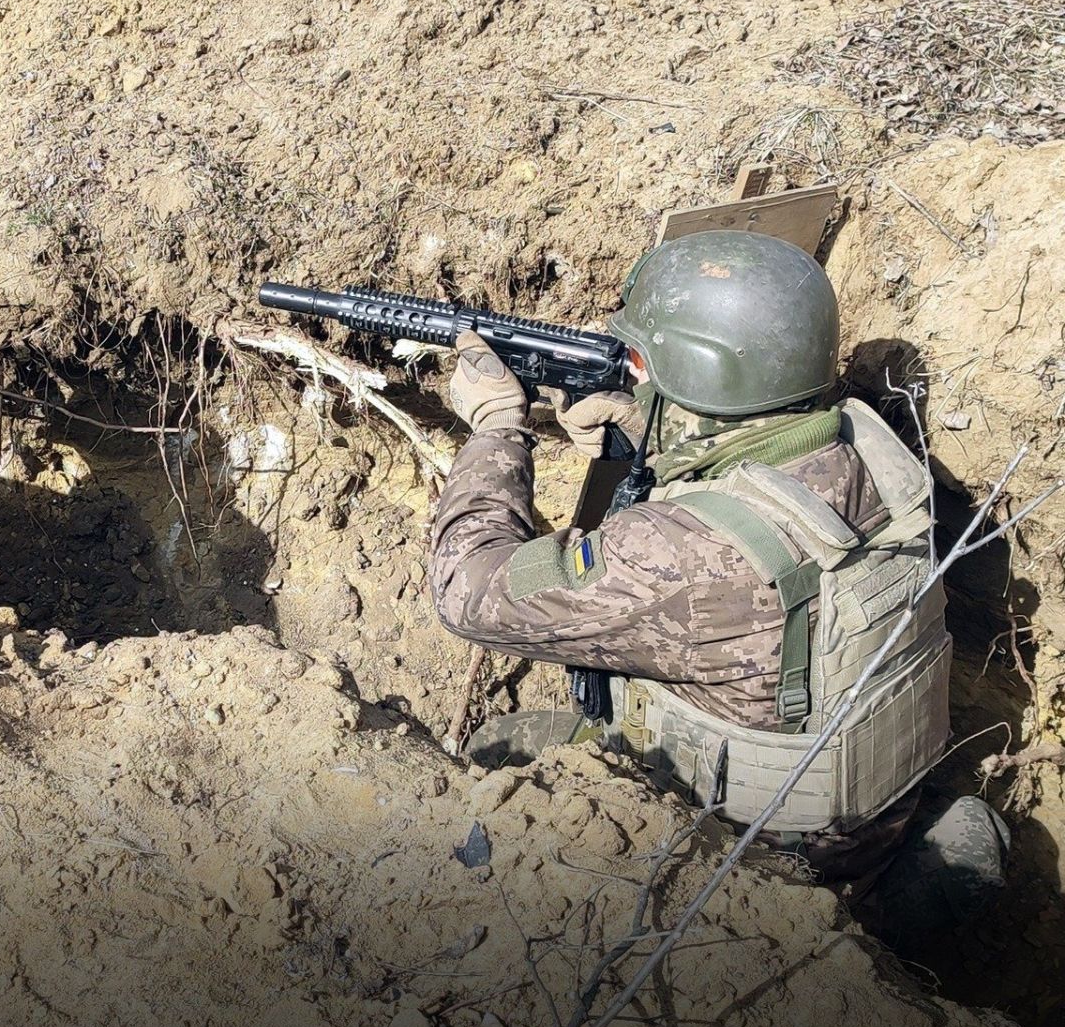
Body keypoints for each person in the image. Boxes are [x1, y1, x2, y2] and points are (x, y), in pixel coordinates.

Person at [428, 229, 1007, 947]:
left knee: (497, 749)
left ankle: (821, 937)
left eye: (641, 366)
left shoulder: (681, 555)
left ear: (697, 374)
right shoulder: (867, 446)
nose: (635, 376)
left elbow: (465, 588)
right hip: (876, 811)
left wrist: (496, 429)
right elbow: (759, 490)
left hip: (758, 851)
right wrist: (646, 431)